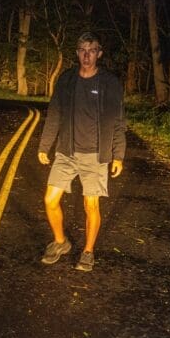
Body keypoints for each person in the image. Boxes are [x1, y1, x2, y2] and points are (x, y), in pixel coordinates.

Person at [36, 31, 126, 272]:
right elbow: (54, 114)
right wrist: (45, 145)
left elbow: (117, 120)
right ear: (77, 53)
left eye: (92, 50)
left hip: (95, 156)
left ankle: (88, 251)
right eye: (83, 50)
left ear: (99, 53)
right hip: (66, 152)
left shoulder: (109, 83)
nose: (87, 55)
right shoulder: (66, 80)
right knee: (50, 200)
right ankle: (60, 242)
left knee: (91, 205)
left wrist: (118, 155)